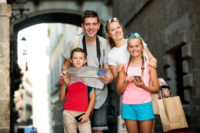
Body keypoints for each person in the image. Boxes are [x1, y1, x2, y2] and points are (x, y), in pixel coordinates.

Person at [61, 10, 113, 133]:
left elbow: (108, 69)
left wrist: (108, 77)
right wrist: (67, 77)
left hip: (100, 95)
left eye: (94, 24)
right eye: (88, 24)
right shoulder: (73, 42)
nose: (91, 27)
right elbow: (65, 65)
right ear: (82, 26)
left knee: (98, 131)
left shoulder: (105, 44)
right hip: (78, 97)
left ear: (98, 26)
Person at [116, 33, 159, 133]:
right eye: (131, 46)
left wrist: (143, 86)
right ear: (128, 49)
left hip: (145, 104)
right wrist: (127, 81)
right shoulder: (123, 67)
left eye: (137, 46)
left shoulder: (150, 66)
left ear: (142, 47)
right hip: (128, 105)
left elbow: (156, 89)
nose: (134, 49)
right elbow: (118, 91)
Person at [105, 18, 157, 83]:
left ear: (121, 28)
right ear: (108, 35)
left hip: (148, 85)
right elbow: (116, 81)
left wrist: (153, 62)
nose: (117, 31)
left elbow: (151, 58)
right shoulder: (111, 55)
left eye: (118, 27)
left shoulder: (136, 39)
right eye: (112, 30)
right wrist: (120, 72)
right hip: (130, 90)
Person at [59, 48, 95, 133]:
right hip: (69, 113)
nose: (78, 60)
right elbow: (61, 98)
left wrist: (87, 114)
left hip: (83, 113)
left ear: (85, 60)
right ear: (71, 60)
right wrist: (64, 84)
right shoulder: (66, 76)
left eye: (81, 58)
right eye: (75, 58)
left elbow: (93, 98)